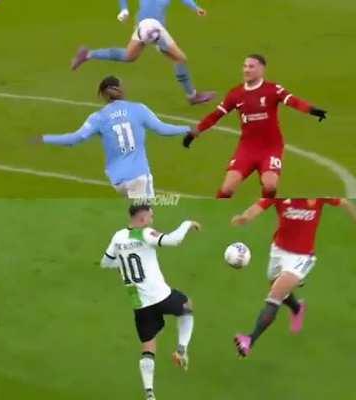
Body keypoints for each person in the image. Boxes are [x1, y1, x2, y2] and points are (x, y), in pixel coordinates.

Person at [183, 55, 327, 198]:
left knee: (270, 186)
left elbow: (293, 101)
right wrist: (195, 132)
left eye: (251, 67)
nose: (246, 70)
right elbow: (216, 115)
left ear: (262, 69)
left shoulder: (272, 89)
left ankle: (265, 204)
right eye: (245, 66)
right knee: (227, 189)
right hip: (247, 148)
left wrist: (312, 110)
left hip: (271, 147)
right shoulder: (236, 94)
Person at [231, 198, 356, 358]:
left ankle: (249, 340)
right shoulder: (281, 194)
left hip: (302, 258)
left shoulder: (318, 194)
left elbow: (344, 202)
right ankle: (297, 308)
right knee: (276, 286)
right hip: (278, 251)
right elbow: (258, 206)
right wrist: (245, 217)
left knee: (275, 295)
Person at [101, 204, 201, 400]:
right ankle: (181, 350)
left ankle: (149, 393)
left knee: (148, 345)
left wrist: (124, 264)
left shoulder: (118, 237)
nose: (152, 220)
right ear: (142, 219)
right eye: (150, 216)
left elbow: (106, 263)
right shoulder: (144, 233)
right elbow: (174, 240)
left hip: (139, 302)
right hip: (160, 295)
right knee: (187, 305)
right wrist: (187, 223)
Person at [38, 76, 191, 198]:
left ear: (104, 95)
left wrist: (44, 138)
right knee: (145, 220)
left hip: (118, 181)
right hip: (138, 177)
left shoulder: (98, 117)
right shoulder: (138, 109)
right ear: (120, 89)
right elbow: (163, 129)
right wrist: (188, 129)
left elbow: (74, 139)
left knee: (137, 217)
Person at [71, 0, 215, 105]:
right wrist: (124, 10)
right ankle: (192, 96)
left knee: (129, 56)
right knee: (180, 58)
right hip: (153, 28)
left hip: (142, 26)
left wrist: (195, 7)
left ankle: (88, 54)